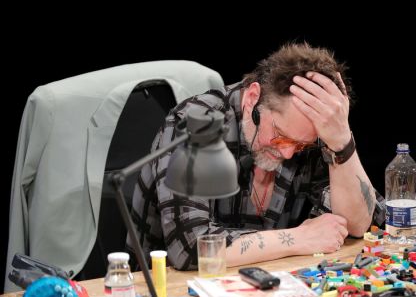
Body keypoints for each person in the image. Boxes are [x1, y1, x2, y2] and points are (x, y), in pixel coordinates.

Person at [129, 42, 385, 270]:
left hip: (270, 281)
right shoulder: (195, 123)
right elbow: (190, 248)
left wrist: (341, 141)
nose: (287, 152)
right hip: (167, 291)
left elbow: (358, 225)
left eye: (301, 145)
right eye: (280, 135)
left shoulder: (312, 134)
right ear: (253, 98)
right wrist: (299, 238)